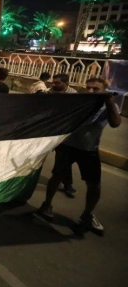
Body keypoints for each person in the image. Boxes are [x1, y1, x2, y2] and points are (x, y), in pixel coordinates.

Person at [37, 78, 122, 235]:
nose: (90, 91)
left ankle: (87, 215)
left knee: (94, 184)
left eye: (95, 89)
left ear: (104, 91)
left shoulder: (108, 106)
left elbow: (115, 123)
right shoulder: (79, 102)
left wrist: (109, 102)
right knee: (57, 176)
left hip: (89, 149)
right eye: (88, 88)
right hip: (68, 146)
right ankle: (46, 205)